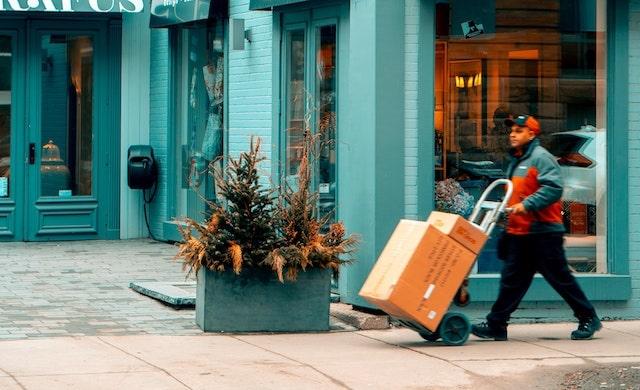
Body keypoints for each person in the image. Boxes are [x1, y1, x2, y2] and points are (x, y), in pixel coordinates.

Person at [471, 114, 602, 341]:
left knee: (560, 278)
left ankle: (589, 317)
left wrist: (527, 205)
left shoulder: (541, 158)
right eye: (512, 130)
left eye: (519, 131)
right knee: (512, 281)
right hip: (521, 232)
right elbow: (514, 195)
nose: (513, 134)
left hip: (543, 232)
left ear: (531, 134)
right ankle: (497, 325)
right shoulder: (517, 160)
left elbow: (553, 188)